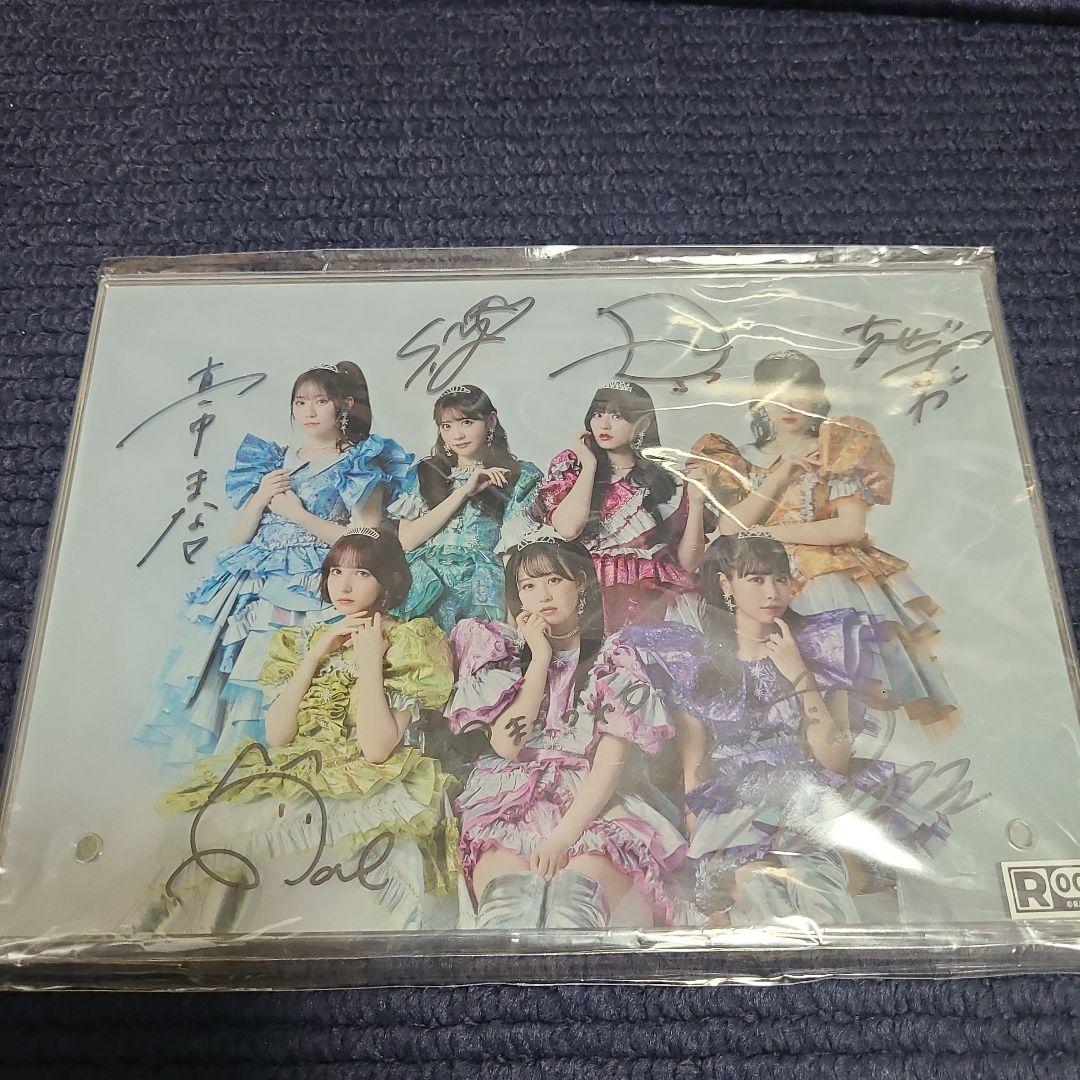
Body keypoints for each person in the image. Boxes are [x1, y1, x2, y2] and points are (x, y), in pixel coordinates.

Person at [134, 527, 459, 934]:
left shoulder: (409, 641)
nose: (344, 585)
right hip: (300, 767)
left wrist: (370, 660)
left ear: (390, 580)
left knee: (245, 832)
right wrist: (315, 655)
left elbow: (377, 749)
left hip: (368, 779)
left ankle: (212, 937)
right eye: (336, 571)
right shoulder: (306, 639)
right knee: (213, 820)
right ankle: (182, 934)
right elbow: (278, 736)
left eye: (361, 573)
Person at [663, 533, 950, 925]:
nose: (772, 592)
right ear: (725, 584)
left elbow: (834, 759)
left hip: (811, 803)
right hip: (734, 819)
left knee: (819, 886)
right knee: (762, 892)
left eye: (780, 579)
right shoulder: (699, 673)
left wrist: (799, 675)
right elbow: (693, 773)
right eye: (756, 579)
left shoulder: (822, 650)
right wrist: (702, 854)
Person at [135, 362, 414, 765]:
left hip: (312, 584)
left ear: (345, 405)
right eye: (300, 402)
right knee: (235, 670)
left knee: (288, 670)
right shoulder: (273, 459)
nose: (309, 411)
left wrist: (298, 515)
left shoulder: (359, 462)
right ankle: (235, 763)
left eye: (321, 401)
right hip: (253, 582)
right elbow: (237, 538)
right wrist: (261, 497)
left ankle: (279, 760)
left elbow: (367, 541)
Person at [691, 350, 960, 735]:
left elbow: (850, 528)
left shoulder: (834, 445)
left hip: (825, 573)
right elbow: (731, 529)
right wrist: (783, 471)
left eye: (800, 393)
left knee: (846, 675)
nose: (789, 406)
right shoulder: (742, 459)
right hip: (762, 578)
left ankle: (846, 738)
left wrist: (768, 534)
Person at [445, 533, 688, 929]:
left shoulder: (617, 657)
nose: (542, 595)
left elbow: (609, 763)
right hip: (507, 799)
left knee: (573, 912)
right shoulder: (499, 650)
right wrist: (540, 657)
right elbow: (508, 745)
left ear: (582, 585)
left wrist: (561, 839)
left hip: (588, 800)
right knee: (508, 916)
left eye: (555, 580)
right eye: (528, 586)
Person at [538, 379, 706, 630]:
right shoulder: (573, 465)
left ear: (643, 425)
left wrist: (698, 502)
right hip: (587, 595)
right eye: (598, 415)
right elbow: (568, 529)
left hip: (650, 602)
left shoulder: (667, 480)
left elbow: (688, 564)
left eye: (617, 416)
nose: (604, 425)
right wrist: (590, 466)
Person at [387, 384, 542, 631]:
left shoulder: (518, 475)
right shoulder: (427, 473)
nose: (457, 435)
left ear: (491, 421)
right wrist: (463, 492)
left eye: (467, 422)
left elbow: (512, 552)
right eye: (446, 426)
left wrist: (513, 620)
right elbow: (407, 540)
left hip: (481, 588)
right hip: (426, 585)